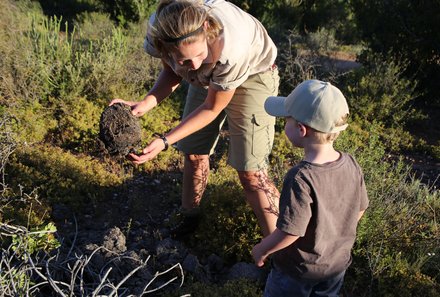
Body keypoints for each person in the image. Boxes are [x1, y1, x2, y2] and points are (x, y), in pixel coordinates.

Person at [110, 0, 280, 237]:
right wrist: (147, 102)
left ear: (207, 28)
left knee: (251, 172)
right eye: (185, 61)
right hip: (211, 75)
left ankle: (281, 248)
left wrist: (165, 140)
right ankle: (189, 217)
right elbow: (171, 69)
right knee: (193, 152)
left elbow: (211, 108)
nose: (195, 64)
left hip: (253, 73)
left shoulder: (232, 46)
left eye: (200, 54)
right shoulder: (159, 32)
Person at [252, 79, 369, 296]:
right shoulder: (351, 163)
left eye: (286, 120)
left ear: (301, 129)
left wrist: (262, 249)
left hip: (297, 272)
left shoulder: (300, 177)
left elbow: (290, 231)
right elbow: (360, 209)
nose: (283, 124)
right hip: (335, 267)